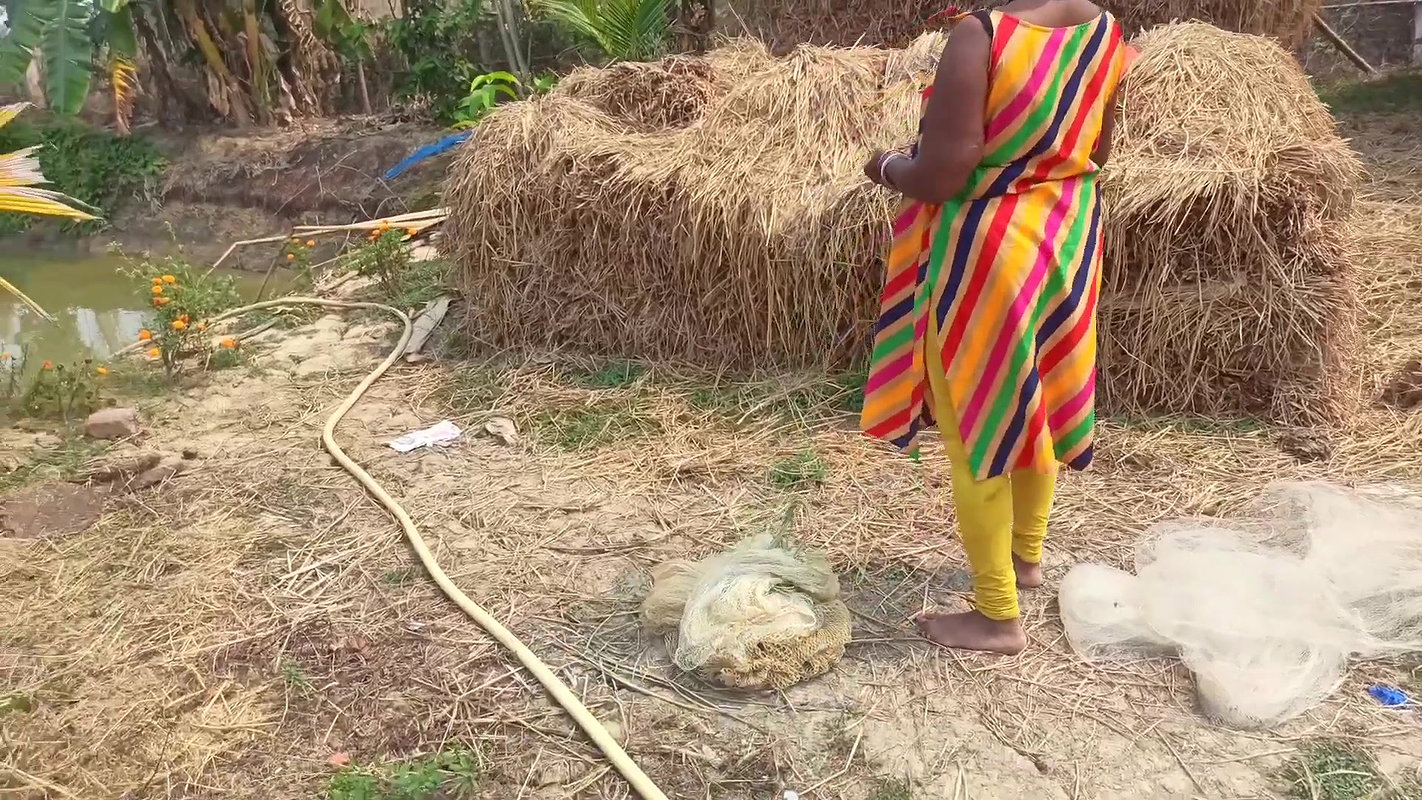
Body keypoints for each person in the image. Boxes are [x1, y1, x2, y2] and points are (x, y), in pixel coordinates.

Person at [860, 0, 1131, 655]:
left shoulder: (981, 37)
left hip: (990, 254)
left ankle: (995, 615)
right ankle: (1025, 557)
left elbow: (944, 174)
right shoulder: (1105, 31)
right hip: (1066, 235)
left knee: (977, 425)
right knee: (1035, 401)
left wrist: (887, 167)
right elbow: (1097, 147)